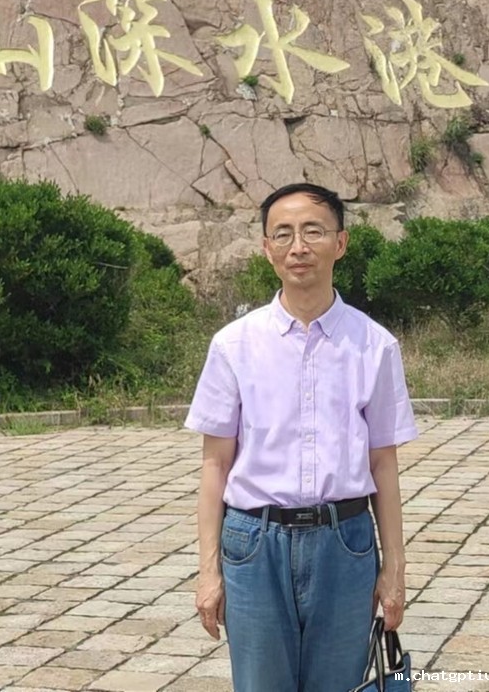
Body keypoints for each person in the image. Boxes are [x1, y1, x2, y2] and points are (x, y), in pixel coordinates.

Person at [185, 182, 417, 692]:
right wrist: (208, 571)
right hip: (254, 544)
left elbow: (383, 464)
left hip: (345, 542)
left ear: (341, 243)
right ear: (267, 248)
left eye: (313, 231)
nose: (298, 247)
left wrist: (394, 569)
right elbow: (215, 465)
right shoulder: (233, 345)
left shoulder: (375, 346)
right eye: (283, 234)